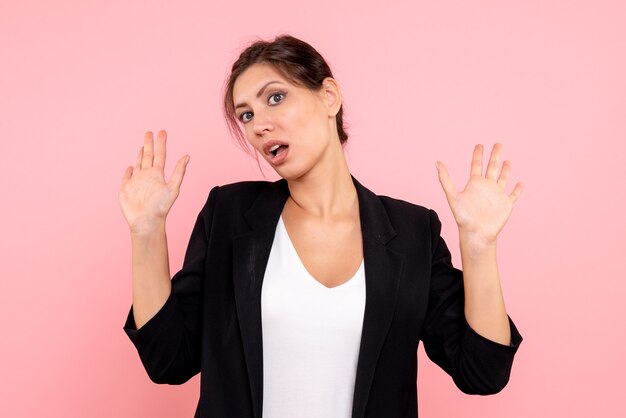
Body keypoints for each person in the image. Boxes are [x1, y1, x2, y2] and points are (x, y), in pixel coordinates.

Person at [119, 34, 523, 418]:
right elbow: (168, 360)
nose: (258, 125)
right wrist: (146, 232)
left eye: (275, 98)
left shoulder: (412, 232)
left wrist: (480, 245)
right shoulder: (228, 215)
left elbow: (482, 373)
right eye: (246, 115)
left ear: (328, 96)